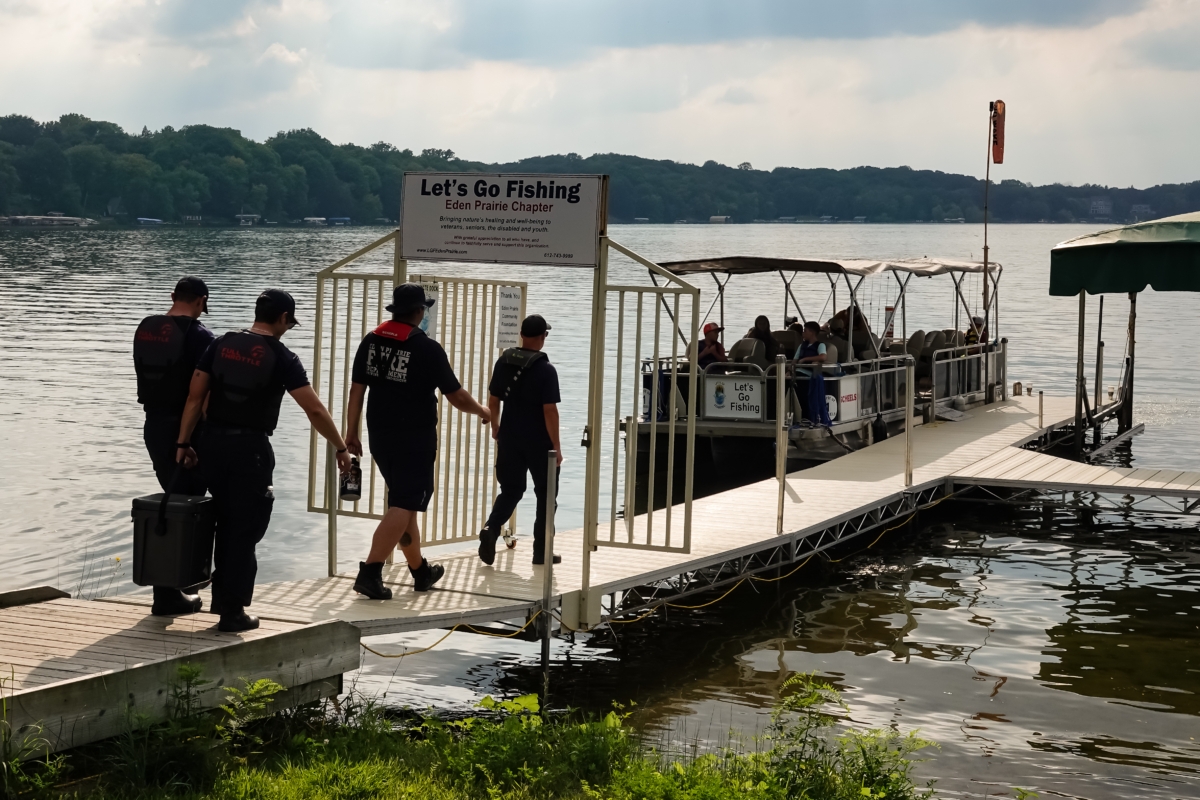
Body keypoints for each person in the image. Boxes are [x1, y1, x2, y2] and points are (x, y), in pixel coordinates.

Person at [176, 289, 351, 632]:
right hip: (250, 451)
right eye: (290, 321)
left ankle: (207, 586)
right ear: (284, 317)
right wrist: (340, 447)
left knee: (216, 519)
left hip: (210, 444)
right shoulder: (283, 357)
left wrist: (183, 442)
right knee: (244, 529)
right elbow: (313, 408)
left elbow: (195, 397)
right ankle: (232, 612)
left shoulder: (221, 343)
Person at [345, 284, 491, 599]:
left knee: (404, 500)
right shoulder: (426, 348)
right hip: (414, 437)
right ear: (419, 312)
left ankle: (420, 571)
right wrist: (483, 410)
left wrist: (351, 432)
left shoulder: (371, 341)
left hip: (379, 435)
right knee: (404, 502)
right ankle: (370, 572)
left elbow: (357, 390)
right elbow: (456, 396)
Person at [133, 276, 216, 616]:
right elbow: (203, 394)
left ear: (173, 296)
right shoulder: (200, 337)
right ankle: (169, 593)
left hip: (153, 425)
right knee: (185, 506)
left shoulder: (147, 329)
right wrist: (196, 437)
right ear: (201, 301)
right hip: (187, 430)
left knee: (173, 499)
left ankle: (170, 589)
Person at [478, 314, 563, 567]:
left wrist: (496, 427)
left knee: (512, 490)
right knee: (546, 497)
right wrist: (556, 447)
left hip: (510, 438)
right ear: (542, 337)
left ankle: (491, 528)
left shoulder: (503, 362)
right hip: (539, 442)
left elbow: (494, 400)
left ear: (522, 335)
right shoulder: (546, 370)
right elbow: (550, 411)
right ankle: (541, 553)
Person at [795, 320, 833, 427]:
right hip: (798, 373)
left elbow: (822, 356)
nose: (803, 333)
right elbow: (795, 359)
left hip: (808, 375)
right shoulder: (801, 346)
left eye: (805, 331)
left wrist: (806, 359)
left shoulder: (820, 345)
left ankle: (808, 417)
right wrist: (789, 371)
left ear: (812, 332)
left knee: (803, 389)